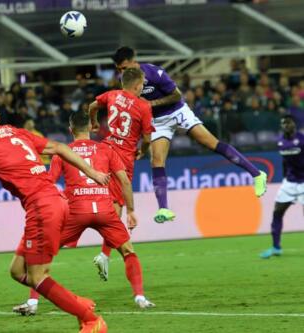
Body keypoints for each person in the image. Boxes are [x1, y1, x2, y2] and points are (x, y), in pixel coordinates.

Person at [0, 94, 109, 333]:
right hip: (55, 200)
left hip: (41, 208)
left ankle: (90, 319)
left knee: (38, 277)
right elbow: (59, 147)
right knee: (17, 270)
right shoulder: (17, 132)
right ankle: (75, 302)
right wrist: (93, 172)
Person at [12, 111, 155, 316]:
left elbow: (49, 181)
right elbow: (124, 181)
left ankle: (32, 303)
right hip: (105, 210)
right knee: (128, 251)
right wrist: (131, 210)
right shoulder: (106, 149)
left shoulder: (63, 152)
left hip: (75, 211)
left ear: (70, 130)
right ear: (90, 127)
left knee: (42, 257)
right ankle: (140, 297)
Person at [105, 46, 267, 224]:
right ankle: (164, 208)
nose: (121, 72)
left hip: (177, 111)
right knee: (157, 160)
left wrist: (152, 103)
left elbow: (176, 95)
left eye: (123, 67)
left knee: (211, 143)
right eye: (119, 69)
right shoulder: (125, 81)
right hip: (158, 121)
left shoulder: (154, 72)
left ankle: (257, 174)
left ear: (133, 61)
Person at [88, 68, 154, 280]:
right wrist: (142, 152)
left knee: (112, 207)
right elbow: (146, 138)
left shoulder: (112, 95)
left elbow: (92, 106)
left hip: (104, 150)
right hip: (123, 157)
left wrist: (94, 123)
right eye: (143, 84)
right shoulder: (143, 106)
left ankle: (105, 255)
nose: (143, 87)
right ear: (137, 85)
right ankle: (104, 255)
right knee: (116, 209)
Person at [260, 115, 304, 259]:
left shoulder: (302, 139)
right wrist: (285, 178)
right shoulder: (280, 142)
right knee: (277, 212)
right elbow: (285, 162)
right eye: (283, 123)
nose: (285, 125)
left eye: (288, 122)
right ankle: (276, 247)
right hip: (289, 183)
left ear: (294, 124)